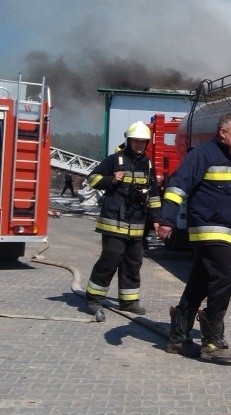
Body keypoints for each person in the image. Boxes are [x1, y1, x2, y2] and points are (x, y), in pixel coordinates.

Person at [155, 113, 231, 362]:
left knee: (200, 281)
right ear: (222, 132)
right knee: (225, 275)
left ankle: (177, 337)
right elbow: (178, 185)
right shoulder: (203, 154)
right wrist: (166, 220)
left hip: (227, 233)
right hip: (207, 229)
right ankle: (211, 341)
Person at [84, 121, 161, 321]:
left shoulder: (148, 164)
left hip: (137, 225)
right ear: (129, 140)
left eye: (143, 142)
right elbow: (91, 179)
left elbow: (153, 194)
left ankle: (129, 301)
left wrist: (157, 219)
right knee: (111, 259)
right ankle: (94, 298)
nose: (140, 145)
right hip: (113, 222)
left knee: (133, 263)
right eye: (136, 141)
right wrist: (111, 180)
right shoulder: (114, 160)